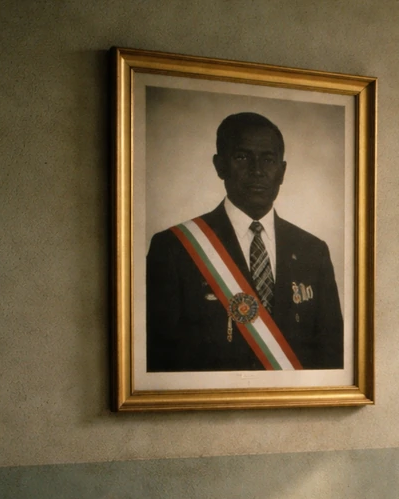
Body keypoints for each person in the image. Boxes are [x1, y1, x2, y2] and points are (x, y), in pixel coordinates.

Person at [145, 112, 344, 371]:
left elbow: (331, 356)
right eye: (242, 157)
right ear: (220, 166)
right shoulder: (174, 248)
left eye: (268, 160)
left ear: (282, 172)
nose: (257, 171)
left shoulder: (313, 251)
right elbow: (159, 361)